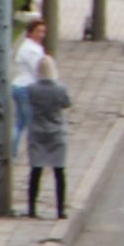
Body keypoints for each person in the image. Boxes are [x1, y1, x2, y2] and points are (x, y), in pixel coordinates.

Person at [25, 53, 72, 220]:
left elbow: (30, 101)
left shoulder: (32, 89)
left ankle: (31, 207)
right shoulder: (60, 89)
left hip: (37, 132)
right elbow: (67, 103)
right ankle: (60, 209)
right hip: (56, 133)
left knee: (35, 171)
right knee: (59, 172)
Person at [11, 17, 47, 189]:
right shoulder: (32, 50)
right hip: (26, 87)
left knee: (20, 122)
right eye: (38, 31)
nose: (41, 34)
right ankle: (29, 154)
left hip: (20, 85)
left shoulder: (28, 46)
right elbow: (38, 70)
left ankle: (13, 151)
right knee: (30, 123)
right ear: (31, 32)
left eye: (43, 31)